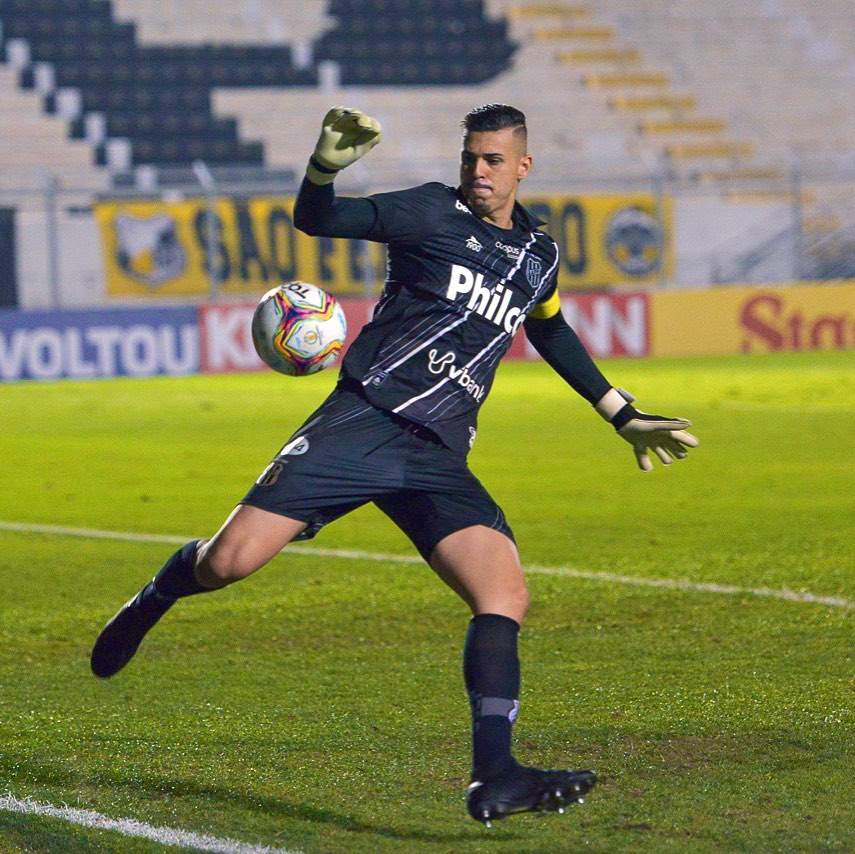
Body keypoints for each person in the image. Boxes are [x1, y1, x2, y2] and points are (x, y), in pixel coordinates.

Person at [91, 105, 698, 825]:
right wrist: (324, 166)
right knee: (228, 564)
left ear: (522, 167)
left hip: (437, 453)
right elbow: (318, 219)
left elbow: (550, 327)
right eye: (471, 156)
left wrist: (620, 412)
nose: (478, 170)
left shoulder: (538, 255)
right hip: (365, 420)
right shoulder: (426, 213)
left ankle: (493, 775)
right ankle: (154, 598)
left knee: (503, 594)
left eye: (494, 160)